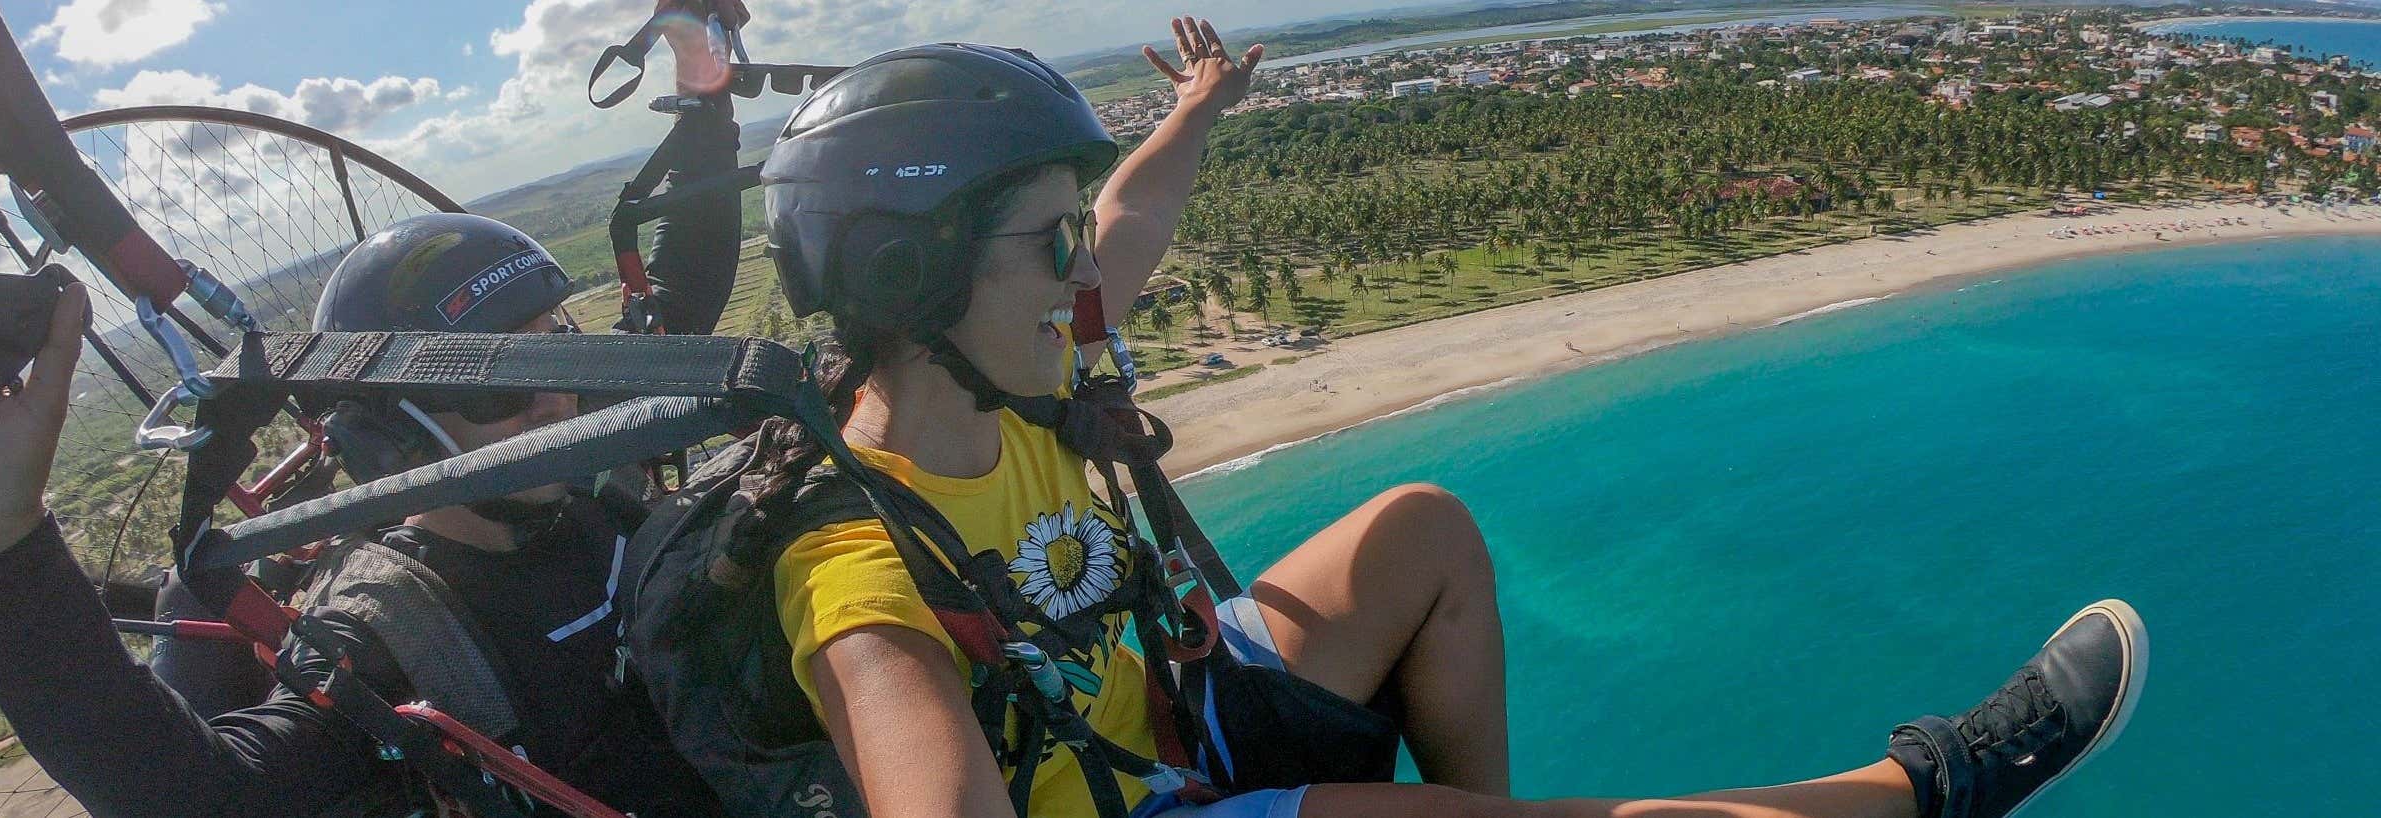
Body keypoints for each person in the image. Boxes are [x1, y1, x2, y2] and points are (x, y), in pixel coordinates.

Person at [748, 18, 2150, 818]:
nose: (1086, 276)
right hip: (1141, 802)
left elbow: (1132, 212)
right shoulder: (860, 566)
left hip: (1174, 703)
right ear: (909, 280)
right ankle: (1939, 783)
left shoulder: (1026, 365)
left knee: (1420, 528)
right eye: (1047, 247)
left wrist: (1195, 110)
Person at [0, 213, 721, 817]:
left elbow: (680, 288)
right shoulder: (392, 632)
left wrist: (701, 79)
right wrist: (6, 545)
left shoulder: (603, 466)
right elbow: (199, 799)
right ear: (388, 437)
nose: (553, 399)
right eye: (500, 382)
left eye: (559, 351)